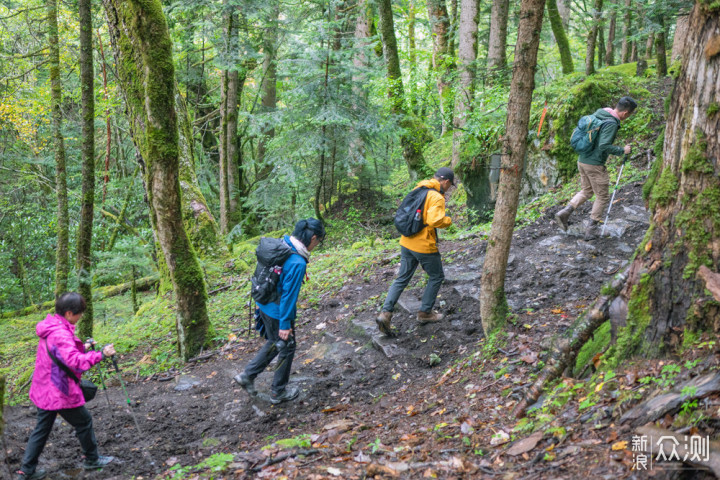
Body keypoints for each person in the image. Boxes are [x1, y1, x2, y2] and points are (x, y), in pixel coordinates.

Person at [16, 292, 116, 480]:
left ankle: (26, 471)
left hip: (45, 388)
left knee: (42, 429)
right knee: (83, 421)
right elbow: (75, 362)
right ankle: (92, 459)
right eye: (79, 314)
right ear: (70, 313)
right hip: (59, 391)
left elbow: (61, 354)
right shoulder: (61, 332)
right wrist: (101, 354)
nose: (80, 317)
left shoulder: (52, 326)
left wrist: (83, 347)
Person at [234, 218, 326, 404]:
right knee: (286, 345)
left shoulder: (282, 244)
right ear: (313, 238)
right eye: (318, 241)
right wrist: (285, 324)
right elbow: (288, 297)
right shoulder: (297, 262)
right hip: (277, 310)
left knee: (276, 342)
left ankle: (248, 376)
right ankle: (278, 391)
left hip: (264, 303)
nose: (317, 245)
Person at [376, 167, 455, 336]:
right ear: (446, 181)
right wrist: (448, 220)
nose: (448, 189)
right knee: (437, 276)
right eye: (450, 185)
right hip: (423, 245)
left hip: (406, 241)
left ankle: (385, 313)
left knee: (402, 278)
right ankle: (425, 313)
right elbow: (434, 220)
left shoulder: (419, 188)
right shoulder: (436, 196)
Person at [555, 96, 637, 240]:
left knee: (587, 191)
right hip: (594, 164)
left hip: (582, 161)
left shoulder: (600, 114)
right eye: (629, 115)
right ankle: (592, 229)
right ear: (625, 113)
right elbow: (603, 146)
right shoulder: (611, 123)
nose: (627, 117)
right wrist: (622, 150)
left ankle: (565, 213)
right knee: (602, 196)